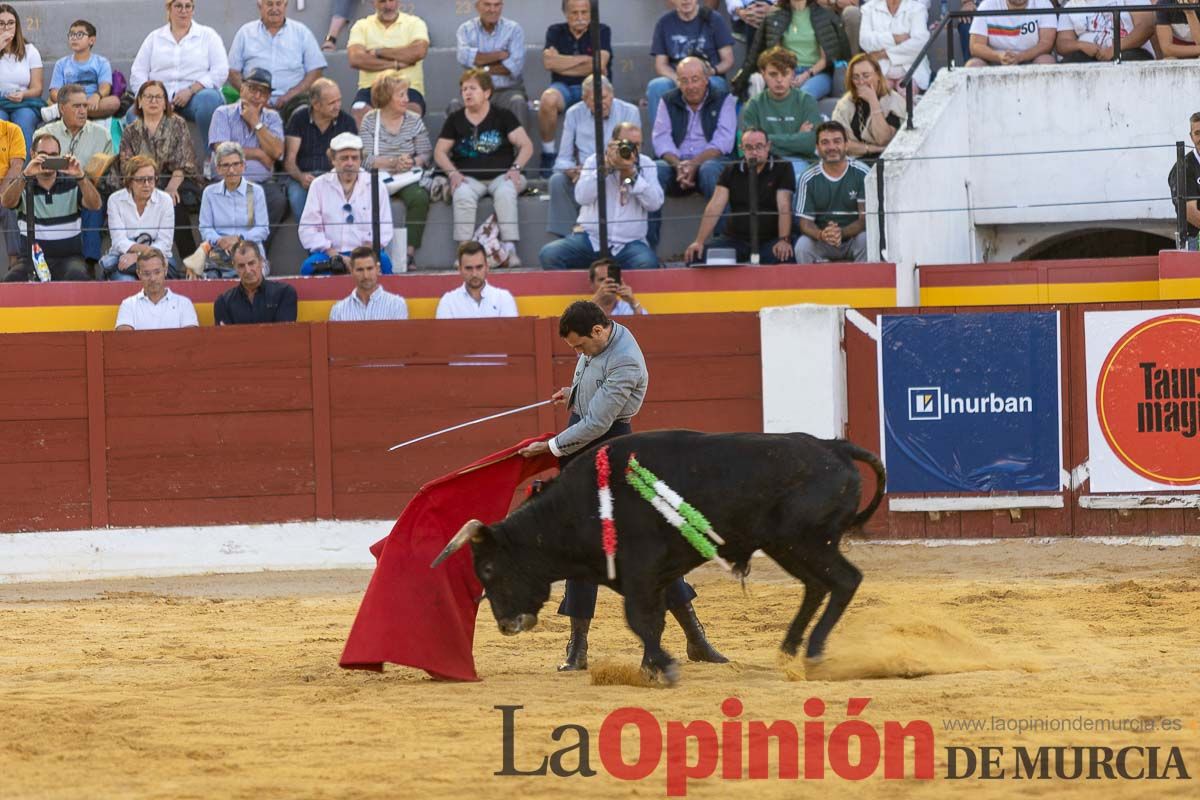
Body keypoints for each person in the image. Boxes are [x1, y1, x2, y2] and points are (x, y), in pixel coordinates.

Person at [517, 301, 727, 672]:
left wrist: (550, 447)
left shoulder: (626, 360)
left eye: (580, 346)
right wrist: (574, 393)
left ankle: (695, 638)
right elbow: (593, 394)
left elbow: (598, 422)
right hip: (581, 450)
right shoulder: (601, 340)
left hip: (610, 451)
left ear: (598, 332)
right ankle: (577, 648)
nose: (578, 352)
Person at [434, 68, 533, 260]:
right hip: (469, 178)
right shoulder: (455, 119)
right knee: (461, 192)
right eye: (464, 89)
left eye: (473, 88)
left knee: (506, 191)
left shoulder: (503, 116)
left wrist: (516, 168)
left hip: (501, 176)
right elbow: (439, 151)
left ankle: (510, 248)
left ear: (487, 92)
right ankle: (464, 252)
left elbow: (526, 145)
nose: (467, 93)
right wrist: (452, 173)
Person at [540, 123, 663, 271]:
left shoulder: (646, 164)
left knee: (647, 263)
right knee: (549, 254)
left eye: (638, 145)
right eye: (628, 145)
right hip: (591, 240)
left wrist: (633, 176)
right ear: (613, 142)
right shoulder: (594, 161)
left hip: (629, 244)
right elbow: (582, 197)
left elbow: (655, 204)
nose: (633, 151)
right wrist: (604, 170)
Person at [650, 57, 736, 247]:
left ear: (706, 79)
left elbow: (724, 142)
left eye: (695, 79)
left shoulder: (723, 99)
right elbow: (661, 139)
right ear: (678, 82)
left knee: (711, 170)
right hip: (677, 166)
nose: (690, 86)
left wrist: (695, 163)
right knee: (652, 170)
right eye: (684, 80)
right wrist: (678, 164)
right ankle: (647, 245)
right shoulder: (668, 100)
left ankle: (724, 244)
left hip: (709, 162)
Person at [548, 75, 641, 239]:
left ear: (612, 95)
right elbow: (562, 159)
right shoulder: (574, 113)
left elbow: (636, 154)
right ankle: (569, 239)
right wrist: (573, 170)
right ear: (584, 99)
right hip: (583, 175)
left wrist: (611, 166)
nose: (601, 103)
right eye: (594, 100)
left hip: (617, 173)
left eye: (604, 97)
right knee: (557, 180)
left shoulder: (630, 112)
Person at [685, 127, 795, 264]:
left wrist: (783, 240)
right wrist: (699, 241)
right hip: (735, 240)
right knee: (697, 258)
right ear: (741, 148)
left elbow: (784, 205)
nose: (754, 152)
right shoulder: (732, 169)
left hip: (770, 241)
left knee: (786, 255)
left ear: (768, 146)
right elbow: (715, 206)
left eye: (759, 146)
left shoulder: (782, 167)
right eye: (749, 147)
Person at [130, 0, 229, 152]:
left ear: (193, 10)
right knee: (132, 113)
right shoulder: (154, 38)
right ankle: (147, 165)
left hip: (195, 97)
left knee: (210, 99)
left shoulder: (208, 36)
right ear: (169, 9)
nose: (183, 10)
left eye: (188, 6)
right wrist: (155, 98)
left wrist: (191, 90)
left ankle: (212, 161)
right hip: (159, 98)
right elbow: (138, 72)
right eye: (178, 6)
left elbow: (221, 70)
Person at [1, 133, 100, 282]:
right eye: (43, 155)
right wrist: (25, 175)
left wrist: (80, 176)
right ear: (32, 154)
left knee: (78, 276)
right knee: (11, 280)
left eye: (54, 155)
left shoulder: (72, 182)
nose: (48, 159)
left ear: (60, 156)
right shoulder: (24, 183)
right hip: (31, 260)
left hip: (69, 258)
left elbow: (95, 205)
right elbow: (6, 203)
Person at [119, 79, 202, 257]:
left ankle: (191, 261)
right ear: (139, 102)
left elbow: (184, 160)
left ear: (166, 102)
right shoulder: (130, 131)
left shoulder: (177, 123)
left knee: (173, 203)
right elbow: (127, 165)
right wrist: (147, 186)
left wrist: (171, 188)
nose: (153, 101)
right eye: (148, 97)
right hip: (142, 182)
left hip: (175, 180)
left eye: (159, 97)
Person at [34, 83, 115, 264]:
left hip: (87, 187)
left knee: (94, 202)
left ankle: (90, 263)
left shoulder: (102, 135)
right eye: (76, 106)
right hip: (55, 189)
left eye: (85, 106)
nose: (82, 111)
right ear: (62, 108)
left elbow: (108, 175)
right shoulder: (44, 134)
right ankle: (38, 261)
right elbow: (39, 169)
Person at [298, 132, 394, 275]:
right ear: (333, 159)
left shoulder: (376, 184)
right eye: (344, 158)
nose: (350, 163)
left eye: (354, 158)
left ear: (360, 159)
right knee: (308, 267)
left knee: (384, 263)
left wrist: (359, 257)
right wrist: (335, 255)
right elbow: (308, 229)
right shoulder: (319, 185)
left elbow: (385, 229)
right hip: (329, 254)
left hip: (366, 253)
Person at [208, 67, 286, 241]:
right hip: (228, 180)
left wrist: (256, 123)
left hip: (262, 183)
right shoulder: (223, 113)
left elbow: (278, 152)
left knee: (278, 200)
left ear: (267, 98)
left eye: (263, 92)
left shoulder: (272, 118)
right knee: (246, 197)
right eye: (252, 89)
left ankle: (256, 252)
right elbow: (223, 151)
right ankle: (242, 251)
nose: (257, 96)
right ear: (241, 88)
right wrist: (259, 153)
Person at [360, 74, 430, 267]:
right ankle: (371, 251)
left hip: (406, 177)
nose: (407, 99)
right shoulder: (369, 120)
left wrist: (412, 161)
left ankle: (408, 254)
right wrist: (392, 163)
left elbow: (425, 153)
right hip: (379, 177)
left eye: (406, 94)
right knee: (365, 199)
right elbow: (365, 159)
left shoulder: (414, 120)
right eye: (401, 95)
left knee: (419, 197)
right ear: (386, 97)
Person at [538, 0, 612, 175]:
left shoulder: (601, 30)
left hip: (593, 86)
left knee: (598, 93)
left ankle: (600, 158)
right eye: (574, 13)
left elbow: (600, 63)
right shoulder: (555, 31)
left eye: (584, 12)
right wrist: (586, 60)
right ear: (566, 14)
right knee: (548, 99)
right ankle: (548, 154)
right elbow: (549, 63)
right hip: (563, 87)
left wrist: (562, 61)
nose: (580, 17)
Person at [647, 0, 736, 137]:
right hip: (677, 78)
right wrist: (679, 80)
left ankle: (715, 145)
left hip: (708, 76)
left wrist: (712, 71)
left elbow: (728, 60)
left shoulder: (714, 19)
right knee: (656, 86)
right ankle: (661, 144)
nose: (685, 0)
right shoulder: (664, 22)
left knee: (717, 84)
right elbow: (660, 65)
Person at [228, 0, 328, 121]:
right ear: (260, 6)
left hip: (294, 99)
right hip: (253, 98)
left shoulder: (301, 32)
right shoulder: (245, 33)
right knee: (239, 112)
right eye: (269, 4)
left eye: (279, 3)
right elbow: (233, 72)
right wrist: (252, 95)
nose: (275, 8)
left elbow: (316, 71)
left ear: (285, 5)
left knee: (304, 112)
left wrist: (290, 95)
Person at [733, 0, 849, 102]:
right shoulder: (776, 16)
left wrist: (806, 75)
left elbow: (826, 58)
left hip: (817, 73)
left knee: (803, 95)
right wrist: (787, 75)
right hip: (786, 71)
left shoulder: (824, 16)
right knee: (780, 94)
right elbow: (773, 55)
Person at [738, 46, 823, 175]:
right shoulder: (754, 105)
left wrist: (766, 141)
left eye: (785, 73)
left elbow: (810, 143)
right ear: (763, 74)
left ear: (793, 74)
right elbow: (752, 147)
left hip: (801, 162)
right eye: (773, 74)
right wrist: (797, 137)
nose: (779, 80)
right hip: (765, 163)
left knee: (796, 173)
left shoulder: (806, 101)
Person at [283, 78, 357, 222]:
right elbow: (289, 161)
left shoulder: (347, 122)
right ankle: (312, 241)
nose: (337, 106)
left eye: (339, 100)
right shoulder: (299, 118)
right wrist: (300, 177)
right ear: (316, 104)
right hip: (302, 178)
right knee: (297, 198)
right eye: (332, 103)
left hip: (336, 178)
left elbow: (353, 159)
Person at [795, 121, 869, 263]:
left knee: (866, 239)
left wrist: (841, 233)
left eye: (837, 141)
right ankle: (813, 285)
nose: (832, 147)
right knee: (802, 246)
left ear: (846, 145)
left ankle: (864, 284)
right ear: (817, 147)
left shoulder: (862, 173)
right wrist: (822, 234)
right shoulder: (808, 177)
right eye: (825, 142)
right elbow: (805, 224)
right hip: (822, 239)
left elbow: (864, 220)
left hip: (853, 239)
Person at [449, 0, 529, 130]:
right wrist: (499, 56)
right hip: (476, 91)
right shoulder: (465, 30)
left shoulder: (514, 29)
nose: (493, 9)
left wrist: (480, 65)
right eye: (487, 4)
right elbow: (464, 58)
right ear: (477, 6)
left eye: (497, 5)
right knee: (454, 105)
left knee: (518, 102)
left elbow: (514, 67)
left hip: (507, 90)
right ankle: (459, 150)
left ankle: (520, 150)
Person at [347, 0, 430, 123]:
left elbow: (418, 52)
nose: (388, 6)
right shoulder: (361, 26)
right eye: (382, 1)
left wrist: (378, 52)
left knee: (411, 115)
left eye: (392, 0)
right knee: (359, 111)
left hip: (408, 89)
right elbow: (356, 59)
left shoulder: (415, 23)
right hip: (370, 88)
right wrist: (395, 64)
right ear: (373, 2)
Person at [197, 142, 270, 279]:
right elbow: (205, 228)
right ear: (218, 169)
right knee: (210, 275)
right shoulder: (210, 193)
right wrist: (219, 240)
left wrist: (239, 239)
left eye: (236, 164)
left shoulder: (255, 191)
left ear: (243, 166)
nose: (231, 170)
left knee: (251, 273)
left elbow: (263, 229)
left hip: (250, 249)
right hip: (219, 251)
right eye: (226, 165)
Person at [102, 155, 176, 281]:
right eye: (141, 180)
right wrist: (145, 252)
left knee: (158, 279)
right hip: (124, 257)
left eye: (151, 179)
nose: (146, 184)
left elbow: (165, 243)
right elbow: (119, 241)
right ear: (129, 181)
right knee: (126, 282)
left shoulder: (165, 201)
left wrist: (139, 256)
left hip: (158, 258)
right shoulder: (115, 200)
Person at [831, 54, 906, 162]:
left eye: (866, 76)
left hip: (885, 161)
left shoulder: (894, 102)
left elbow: (883, 140)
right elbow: (839, 143)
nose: (861, 82)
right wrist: (874, 149)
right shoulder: (844, 105)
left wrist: (873, 101)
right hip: (852, 163)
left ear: (878, 76)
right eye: (855, 77)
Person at [45, 20, 121, 121]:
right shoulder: (61, 63)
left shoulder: (101, 62)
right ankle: (79, 113)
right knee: (51, 100)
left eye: (80, 34)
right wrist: (70, 102)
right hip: (70, 101)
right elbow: (54, 91)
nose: (74, 38)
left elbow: (105, 86)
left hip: (92, 102)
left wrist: (97, 95)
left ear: (92, 40)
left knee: (114, 102)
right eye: (71, 34)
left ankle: (63, 112)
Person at [213, 239, 297, 324]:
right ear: (234, 267)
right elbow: (225, 337)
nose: (248, 270)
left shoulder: (284, 293)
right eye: (241, 266)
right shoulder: (223, 303)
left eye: (251, 263)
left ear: (261, 262)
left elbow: (284, 334)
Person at [114, 249, 198, 330]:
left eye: (157, 272)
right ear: (138, 274)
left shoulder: (184, 304)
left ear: (165, 271)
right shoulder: (128, 305)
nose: (152, 278)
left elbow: (190, 341)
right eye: (146, 274)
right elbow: (125, 341)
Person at [0, 5, 45, 154]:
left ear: (17, 25)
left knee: (24, 121)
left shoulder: (30, 51)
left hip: (23, 102)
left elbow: (37, 88)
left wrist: (22, 95)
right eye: (1, 23)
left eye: (11, 23)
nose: (6, 27)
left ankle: (23, 174)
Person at [858, 0, 931, 91]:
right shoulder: (869, 8)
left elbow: (919, 44)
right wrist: (894, 38)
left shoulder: (917, 9)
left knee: (906, 95)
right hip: (881, 70)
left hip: (911, 70)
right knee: (882, 96)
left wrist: (883, 54)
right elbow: (865, 41)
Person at [434, 240, 518, 318]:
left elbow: (511, 333)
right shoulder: (448, 302)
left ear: (487, 267)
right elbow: (444, 334)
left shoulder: (504, 298)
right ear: (460, 269)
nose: (474, 274)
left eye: (479, 267)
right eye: (468, 268)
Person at [1057, 0, 1155, 63]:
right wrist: (1082, 46)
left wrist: (1114, 49)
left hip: (1129, 51)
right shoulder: (1071, 5)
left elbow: (1146, 26)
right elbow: (1062, 43)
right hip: (1089, 56)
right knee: (1071, 63)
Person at [328, 245, 409, 321]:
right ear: (352, 271)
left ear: (377, 269)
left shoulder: (396, 305)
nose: (365, 276)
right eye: (360, 270)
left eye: (369, 269)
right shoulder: (338, 311)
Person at [966, 0, 1056, 67]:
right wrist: (998, 56)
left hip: (1031, 59)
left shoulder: (1044, 4)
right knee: (973, 65)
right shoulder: (987, 5)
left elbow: (1046, 43)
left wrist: (1021, 57)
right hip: (995, 61)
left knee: (1046, 61)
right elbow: (975, 46)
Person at [1168, 111, 1200, 250]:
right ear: (1191, 137)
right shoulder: (1184, 167)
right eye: (1197, 133)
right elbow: (1190, 212)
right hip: (1195, 242)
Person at [0, 117, 22, 263]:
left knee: (9, 206)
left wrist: (3, 192)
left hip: (6, 186)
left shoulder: (12, 130)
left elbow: (17, 166)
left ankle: (14, 264)